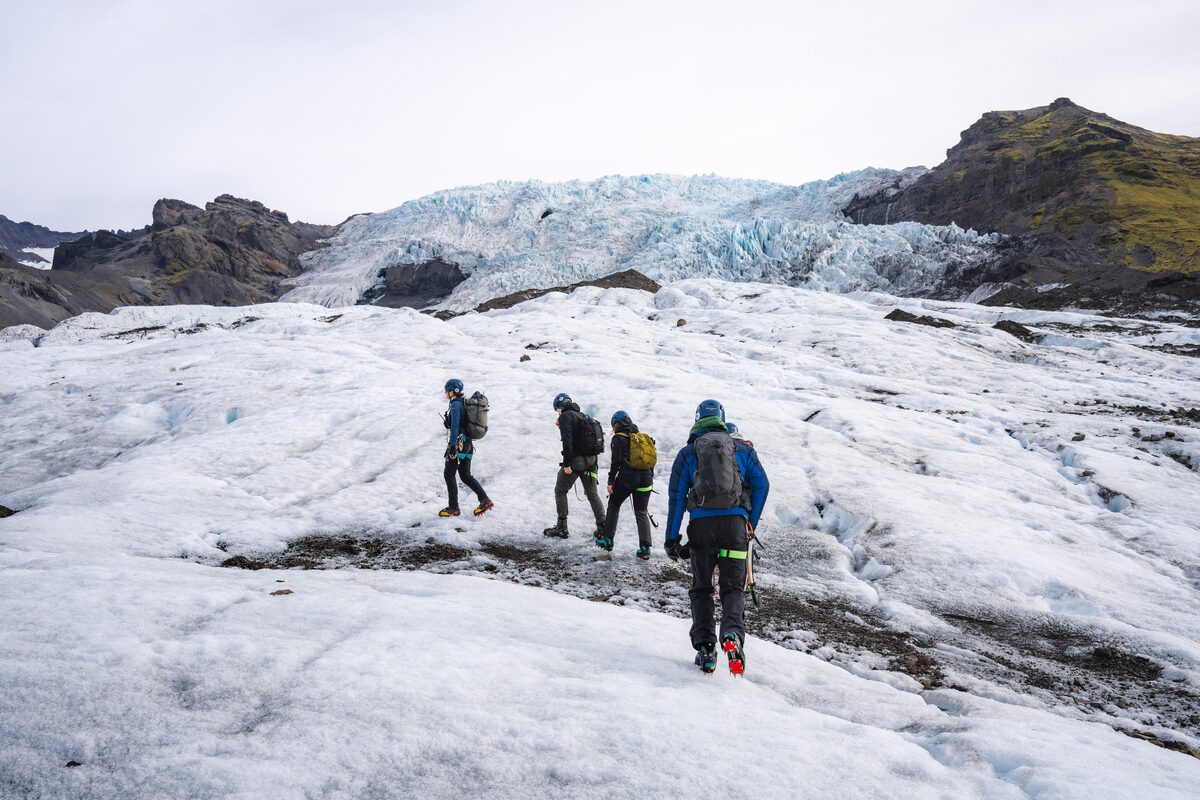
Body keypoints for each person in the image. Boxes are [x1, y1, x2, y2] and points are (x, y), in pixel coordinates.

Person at [665, 399, 769, 675]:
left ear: (697, 419)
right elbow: (762, 484)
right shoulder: (742, 449)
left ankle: (706, 648)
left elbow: (676, 498)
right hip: (735, 526)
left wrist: (671, 538)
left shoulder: (688, 453)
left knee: (702, 588)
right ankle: (732, 634)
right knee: (733, 587)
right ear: (722, 419)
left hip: (701, 528)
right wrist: (750, 523)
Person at [543, 392, 606, 538]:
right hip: (592, 461)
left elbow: (567, 441)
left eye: (557, 410)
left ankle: (561, 526)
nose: (557, 413)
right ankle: (603, 527)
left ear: (560, 406)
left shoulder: (566, 416)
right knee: (592, 494)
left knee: (560, 490)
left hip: (577, 462)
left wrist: (567, 463)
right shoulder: (582, 415)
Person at [597, 410, 654, 559]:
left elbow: (615, 463)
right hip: (646, 478)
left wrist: (611, 481)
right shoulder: (641, 437)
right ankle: (645, 548)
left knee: (614, 505)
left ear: (616, 424)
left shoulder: (619, 438)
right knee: (641, 512)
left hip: (628, 478)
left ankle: (608, 539)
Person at [439, 378, 493, 518]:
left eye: (447, 391)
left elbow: (455, 426)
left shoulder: (456, 405)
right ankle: (485, 500)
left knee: (449, 474)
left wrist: (452, 447)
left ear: (453, 391)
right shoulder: (462, 403)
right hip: (468, 444)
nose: (446, 393)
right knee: (465, 475)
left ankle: (453, 508)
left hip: (459, 444)